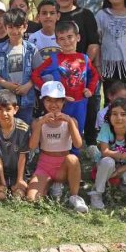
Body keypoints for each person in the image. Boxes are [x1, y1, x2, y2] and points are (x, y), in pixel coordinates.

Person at [26, 81, 88, 213]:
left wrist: (70, 122)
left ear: (63, 102)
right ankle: (52, 185)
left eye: (58, 101)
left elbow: (78, 144)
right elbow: (32, 146)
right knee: (32, 199)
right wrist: (40, 123)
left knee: (73, 159)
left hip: (63, 166)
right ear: (43, 101)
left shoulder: (71, 120)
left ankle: (74, 196)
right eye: (49, 100)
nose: (53, 105)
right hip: (44, 165)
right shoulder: (38, 121)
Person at [52, 0, 101, 146]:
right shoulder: (53, 15)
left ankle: (90, 141)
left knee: (89, 104)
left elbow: (94, 42)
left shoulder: (85, 14)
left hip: (82, 69)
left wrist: (81, 65)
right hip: (60, 70)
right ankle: (61, 142)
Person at [31, 21, 100, 136]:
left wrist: (91, 89)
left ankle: (75, 152)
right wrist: (50, 91)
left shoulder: (84, 59)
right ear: (57, 41)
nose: (67, 42)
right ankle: (59, 152)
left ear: (78, 37)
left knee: (78, 130)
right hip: (61, 104)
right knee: (61, 130)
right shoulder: (54, 59)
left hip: (80, 103)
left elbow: (95, 75)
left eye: (70, 37)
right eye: (62, 39)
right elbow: (35, 75)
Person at [89, 98, 126, 210]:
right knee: (107, 161)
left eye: (123, 114)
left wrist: (118, 171)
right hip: (106, 163)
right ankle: (97, 193)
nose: (118, 118)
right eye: (114, 114)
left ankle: (123, 184)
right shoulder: (106, 127)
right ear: (109, 116)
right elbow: (105, 152)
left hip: (122, 166)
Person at [0, 10, 42, 125]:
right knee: (5, 127)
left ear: (25, 27)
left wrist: (28, 86)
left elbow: (39, 71)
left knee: (25, 127)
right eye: (10, 27)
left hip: (26, 98)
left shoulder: (32, 49)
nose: (14, 31)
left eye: (18, 27)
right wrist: (6, 84)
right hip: (5, 99)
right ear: (5, 27)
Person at [0, 90, 30, 201]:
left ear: (15, 110)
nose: (4, 113)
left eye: (8, 109)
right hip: (0, 172)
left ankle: (18, 183)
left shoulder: (23, 128)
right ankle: (1, 185)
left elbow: (22, 156)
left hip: (17, 171)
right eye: (0, 109)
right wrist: (3, 182)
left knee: (18, 196)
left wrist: (20, 180)